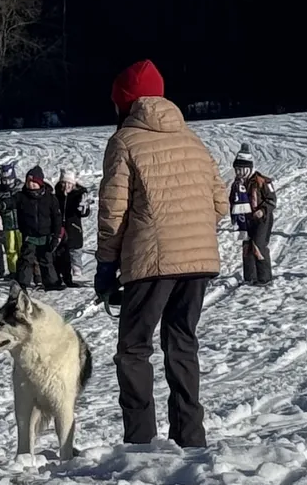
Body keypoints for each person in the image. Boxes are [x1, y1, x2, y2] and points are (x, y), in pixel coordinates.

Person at [95, 59, 223, 448]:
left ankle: (140, 440)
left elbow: (113, 210)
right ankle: (190, 436)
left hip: (151, 261)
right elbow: (219, 202)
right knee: (181, 344)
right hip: (199, 260)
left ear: (124, 103)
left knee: (133, 349)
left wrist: (106, 265)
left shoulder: (125, 142)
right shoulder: (192, 140)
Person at [229, 150, 276, 285]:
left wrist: (263, 210)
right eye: (236, 169)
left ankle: (264, 278)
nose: (238, 172)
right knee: (247, 246)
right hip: (245, 220)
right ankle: (249, 277)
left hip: (262, 219)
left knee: (258, 245)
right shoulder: (236, 184)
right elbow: (232, 200)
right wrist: (234, 216)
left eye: (241, 169)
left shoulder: (262, 181)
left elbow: (272, 200)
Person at [15, 165, 61, 288]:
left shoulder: (50, 198)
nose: (31, 185)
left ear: (40, 183)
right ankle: (22, 283)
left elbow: (57, 218)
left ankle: (51, 283)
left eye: (34, 182)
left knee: (46, 260)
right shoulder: (21, 196)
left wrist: (55, 236)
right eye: (29, 182)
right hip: (29, 235)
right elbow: (9, 204)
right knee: (26, 260)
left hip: (46, 235)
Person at [54, 171, 89, 286]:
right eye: (64, 183)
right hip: (60, 227)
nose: (66, 186)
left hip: (74, 227)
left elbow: (84, 212)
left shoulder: (78, 196)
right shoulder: (57, 195)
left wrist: (83, 208)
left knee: (75, 248)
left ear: (74, 185)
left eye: (69, 184)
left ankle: (76, 268)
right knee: (61, 251)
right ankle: (61, 273)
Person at [0, 160, 23, 279]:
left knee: (22, 248)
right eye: (4, 180)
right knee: (10, 249)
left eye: (9, 179)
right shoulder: (0, 191)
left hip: (21, 223)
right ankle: (13, 270)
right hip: (7, 224)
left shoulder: (20, 188)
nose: (7, 182)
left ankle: (24, 269)